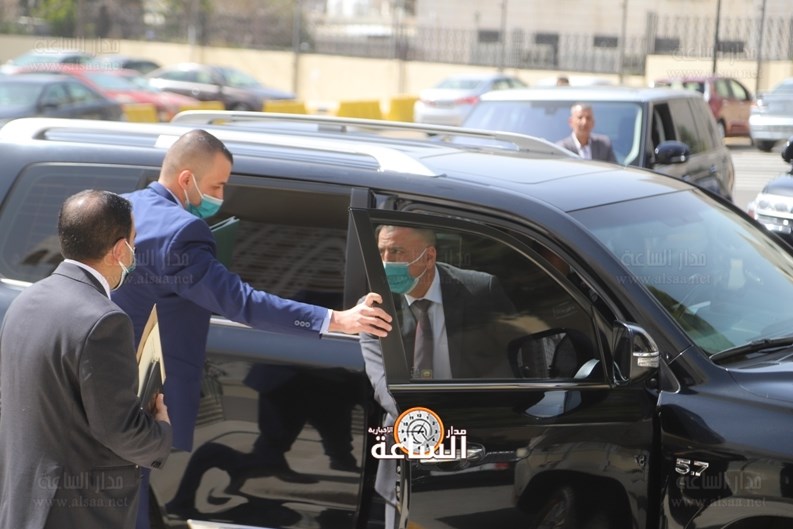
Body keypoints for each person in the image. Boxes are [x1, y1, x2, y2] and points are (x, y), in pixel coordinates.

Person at [110, 129, 392, 528]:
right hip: (139, 401)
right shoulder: (182, 232)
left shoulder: (120, 209)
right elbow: (241, 301)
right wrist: (336, 319)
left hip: (101, 392)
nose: (221, 197)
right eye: (217, 186)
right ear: (186, 178)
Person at [0, 190, 172, 529]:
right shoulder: (105, 320)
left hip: (21, 504)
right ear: (120, 250)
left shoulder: (24, 301)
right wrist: (160, 430)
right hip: (75, 512)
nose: (134, 252)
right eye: (134, 242)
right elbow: (120, 431)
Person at [358, 225, 515, 528]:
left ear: (429, 257)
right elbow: (384, 386)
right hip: (409, 444)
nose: (386, 262)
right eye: (381, 252)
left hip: (477, 446)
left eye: (397, 252)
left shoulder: (480, 291)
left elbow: (515, 359)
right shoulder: (375, 306)